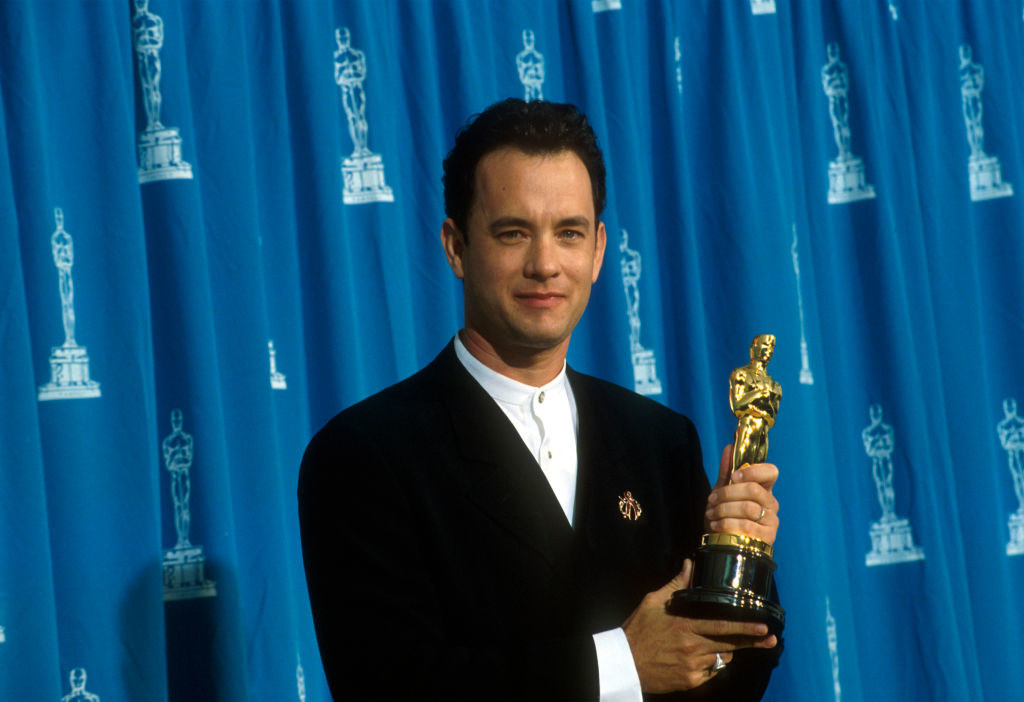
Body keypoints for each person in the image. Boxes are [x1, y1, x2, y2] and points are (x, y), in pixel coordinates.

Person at [299, 98, 782, 700]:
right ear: (456, 247)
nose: (545, 264)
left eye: (569, 233)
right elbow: (392, 684)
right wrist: (622, 663)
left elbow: (733, 682)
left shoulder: (658, 439)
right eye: (513, 233)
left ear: (600, 250)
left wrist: (742, 559)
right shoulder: (364, 455)